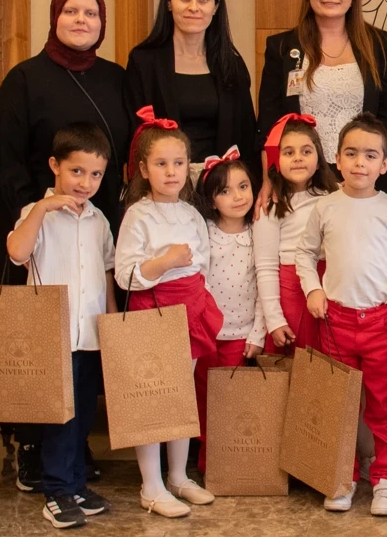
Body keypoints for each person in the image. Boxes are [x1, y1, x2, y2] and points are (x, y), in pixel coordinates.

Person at [0, 0, 127, 492]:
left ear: (102, 23)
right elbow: (5, 160)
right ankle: (30, 444)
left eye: (91, 13)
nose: (81, 20)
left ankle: (74, 445)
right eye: (71, 11)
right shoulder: (24, 79)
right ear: (55, 16)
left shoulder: (116, 78)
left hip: (97, 223)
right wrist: (36, 212)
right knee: (38, 349)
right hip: (38, 226)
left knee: (83, 349)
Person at [295, 112, 387, 516]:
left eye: (370, 155)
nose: (360, 162)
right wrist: (313, 288)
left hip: (383, 321)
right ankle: (341, 477)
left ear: (384, 164)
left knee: (384, 405)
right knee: (338, 405)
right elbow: (305, 253)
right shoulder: (325, 207)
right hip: (336, 322)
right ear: (337, 159)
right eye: (351, 153)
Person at [4, 124, 117, 529]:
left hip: (89, 334)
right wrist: (41, 209)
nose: (85, 183)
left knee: (83, 413)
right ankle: (56, 492)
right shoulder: (36, 214)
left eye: (95, 174)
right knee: (60, 417)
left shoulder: (99, 220)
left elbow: (106, 272)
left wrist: (111, 322)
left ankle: (75, 485)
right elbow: (17, 252)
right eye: (77, 171)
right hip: (52, 334)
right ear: (55, 165)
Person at [114, 109, 221, 518]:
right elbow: (125, 274)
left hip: (189, 309)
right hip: (153, 309)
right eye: (161, 164)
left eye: (178, 163)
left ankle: (177, 475)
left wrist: (197, 291)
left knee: (181, 394)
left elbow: (204, 261)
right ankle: (151, 484)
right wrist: (164, 262)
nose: (171, 171)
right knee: (152, 397)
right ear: (144, 169)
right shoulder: (138, 214)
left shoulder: (192, 214)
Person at [257, 0, 387, 203]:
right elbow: (270, 122)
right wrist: (268, 177)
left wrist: (366, 169)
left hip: (365, 177)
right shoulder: (282, 47)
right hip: (303, 178)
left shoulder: (377, 44)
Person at [125, 0, 258, 179]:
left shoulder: (231, 64)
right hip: (164, 184)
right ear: (169, 3)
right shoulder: (144, 62)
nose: (194, 7)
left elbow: (246, 135)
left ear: (215, 7)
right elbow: (135, 136)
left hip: (220, 184)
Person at [191, 147, 266, 474]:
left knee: (233, 399)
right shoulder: (205, 233)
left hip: (241, 334)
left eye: (243, 186)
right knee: (205, 397)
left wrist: (257, 333)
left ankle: (233, 461)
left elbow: (265, 286)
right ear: (211, 199)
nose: (237, 196)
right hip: (207, 333)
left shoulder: (259, 232)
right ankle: (210, 462)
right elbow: (198, 281)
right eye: (225, 191)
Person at [254, 114, 338, 355]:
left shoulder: (334, 196)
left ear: (319, 159)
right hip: (292, 295)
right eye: (288, 152)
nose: (298, 158)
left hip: (331, 287)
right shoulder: (271, 205)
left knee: (332, 364)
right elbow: (266, 267)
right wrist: (274, 319)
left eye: (306, 151)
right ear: (276, 160)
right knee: (300, 364)